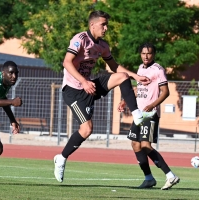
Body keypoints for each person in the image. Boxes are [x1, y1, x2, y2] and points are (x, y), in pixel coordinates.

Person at [53, 10, 156, 183]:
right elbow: (66, 62)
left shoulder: (103, 46)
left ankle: (137, 114)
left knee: (123, 77)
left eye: (106, 24)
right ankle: (61, 158)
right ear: (92, 24)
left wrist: (135, 76)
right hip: (74, 90)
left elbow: (115, 66)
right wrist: (83, 82)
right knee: (87, 129)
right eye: (103, 24)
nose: (106, 28)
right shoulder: (80, 39)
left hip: (90, 85)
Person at [118, 43, 180, 190]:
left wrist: (153, 105)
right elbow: (139, 89)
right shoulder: (140, 68)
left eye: (149, 53)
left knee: (145, 145)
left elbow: (165, 92)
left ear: (154, 54)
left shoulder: (158, 70)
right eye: (143, 53)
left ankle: (170, 176)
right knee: (135, 144)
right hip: (139, 114)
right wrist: (125, 100)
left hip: (150, 114)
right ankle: (148, 179)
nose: (146, 56)